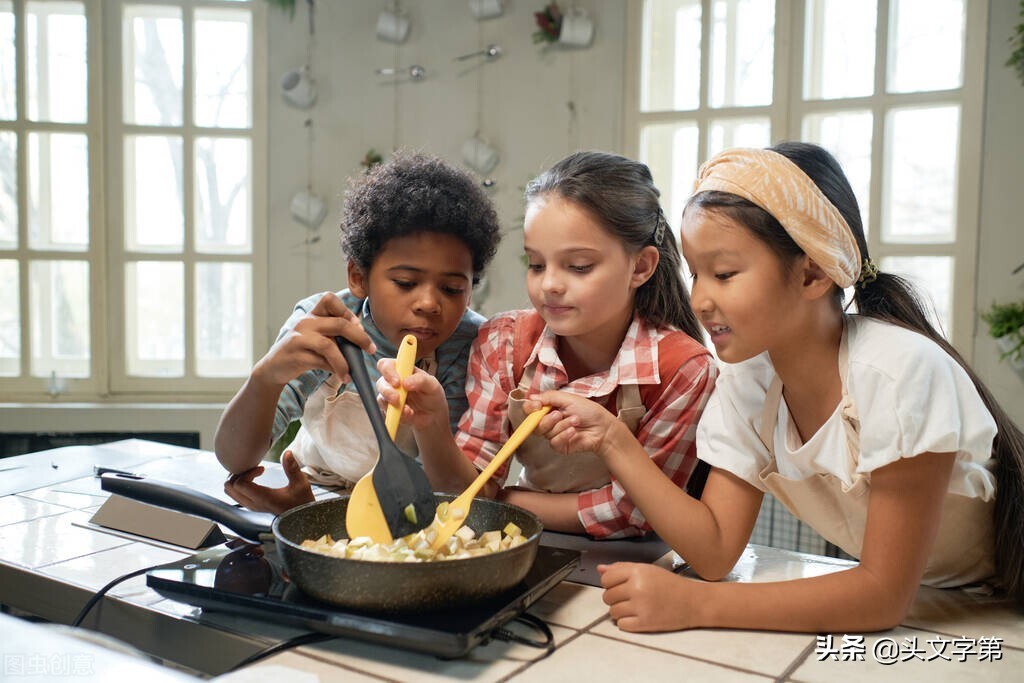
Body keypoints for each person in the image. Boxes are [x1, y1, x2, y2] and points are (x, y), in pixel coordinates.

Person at [529, 142, 1024, 632]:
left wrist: (695, 606)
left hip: (1001, 605)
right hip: (940, 604)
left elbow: (880, 596)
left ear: (811, 273)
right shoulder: (748, 383)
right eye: (697, 274)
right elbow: (717, 549)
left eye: (724, 274)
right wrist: (615, 441)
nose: (700, 300)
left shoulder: (898, 373)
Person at [378, 151, 716, 538]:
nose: (550, 284)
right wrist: (433, 422)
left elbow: (634, 513)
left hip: (636, 560)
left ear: (640, 267)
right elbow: (467, 488)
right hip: (523, 540)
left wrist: (505, 501)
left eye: (579, 267)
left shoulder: (684, 370)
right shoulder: (503, 343)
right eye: (536, 264)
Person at [214, 151, 501, 514]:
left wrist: (432, 422)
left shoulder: (472, 344)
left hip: (418, 512)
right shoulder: (322, 325)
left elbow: (458, 493)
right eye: (406, 282)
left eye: (452, 289)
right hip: (315, 491)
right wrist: (265, 378)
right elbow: (232, 457)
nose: (429, 303)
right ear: (359, 277)